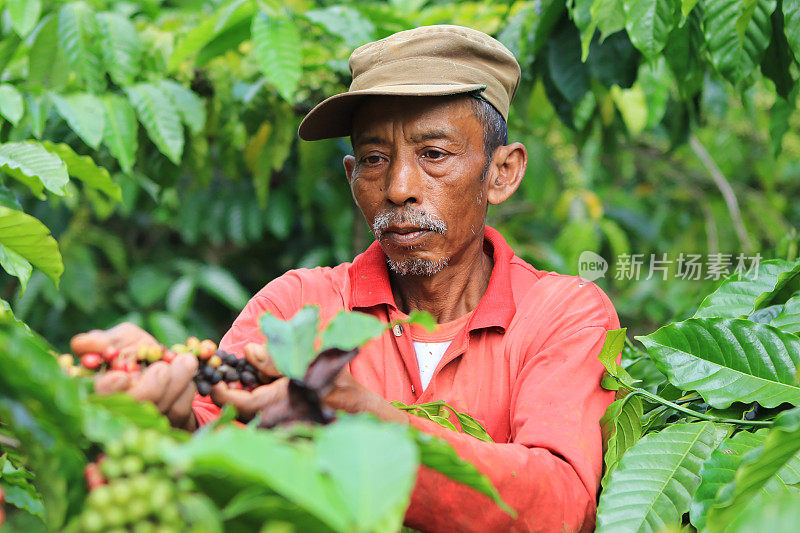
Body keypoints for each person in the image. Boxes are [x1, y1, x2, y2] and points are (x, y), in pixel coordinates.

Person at [71, 25, 620, 532]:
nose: (400, 187)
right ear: (353, 177)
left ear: (502, 172)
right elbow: (213, 439)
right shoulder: (298, 307)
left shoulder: (564, 313)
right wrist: (166, 414)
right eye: (376, 159)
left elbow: (560, 501)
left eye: (434, 154)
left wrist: (363, 420)